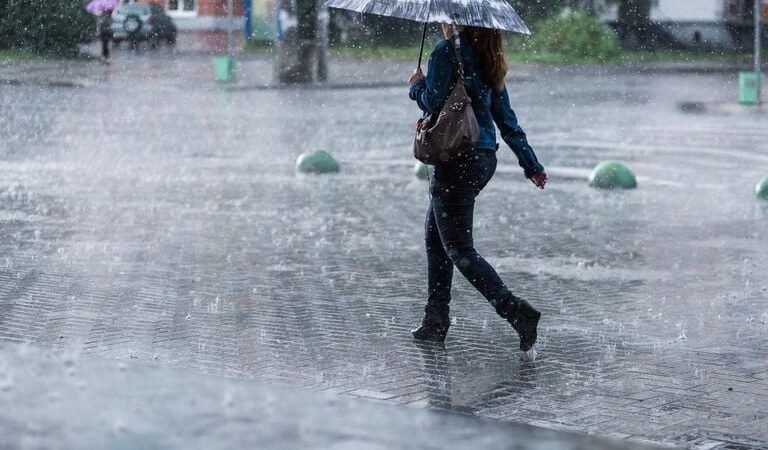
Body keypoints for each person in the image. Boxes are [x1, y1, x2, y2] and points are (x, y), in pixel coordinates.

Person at [407, 24, 548, 353]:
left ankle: (517, 312)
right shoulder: (489, 55)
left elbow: (432, 101)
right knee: (436, 239)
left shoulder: (446, 52)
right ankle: (435, 321)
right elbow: (506, 119)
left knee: (459, 250)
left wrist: (416, 86)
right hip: (483, 158)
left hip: (456, 156)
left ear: (455, 17)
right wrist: (532, 165)